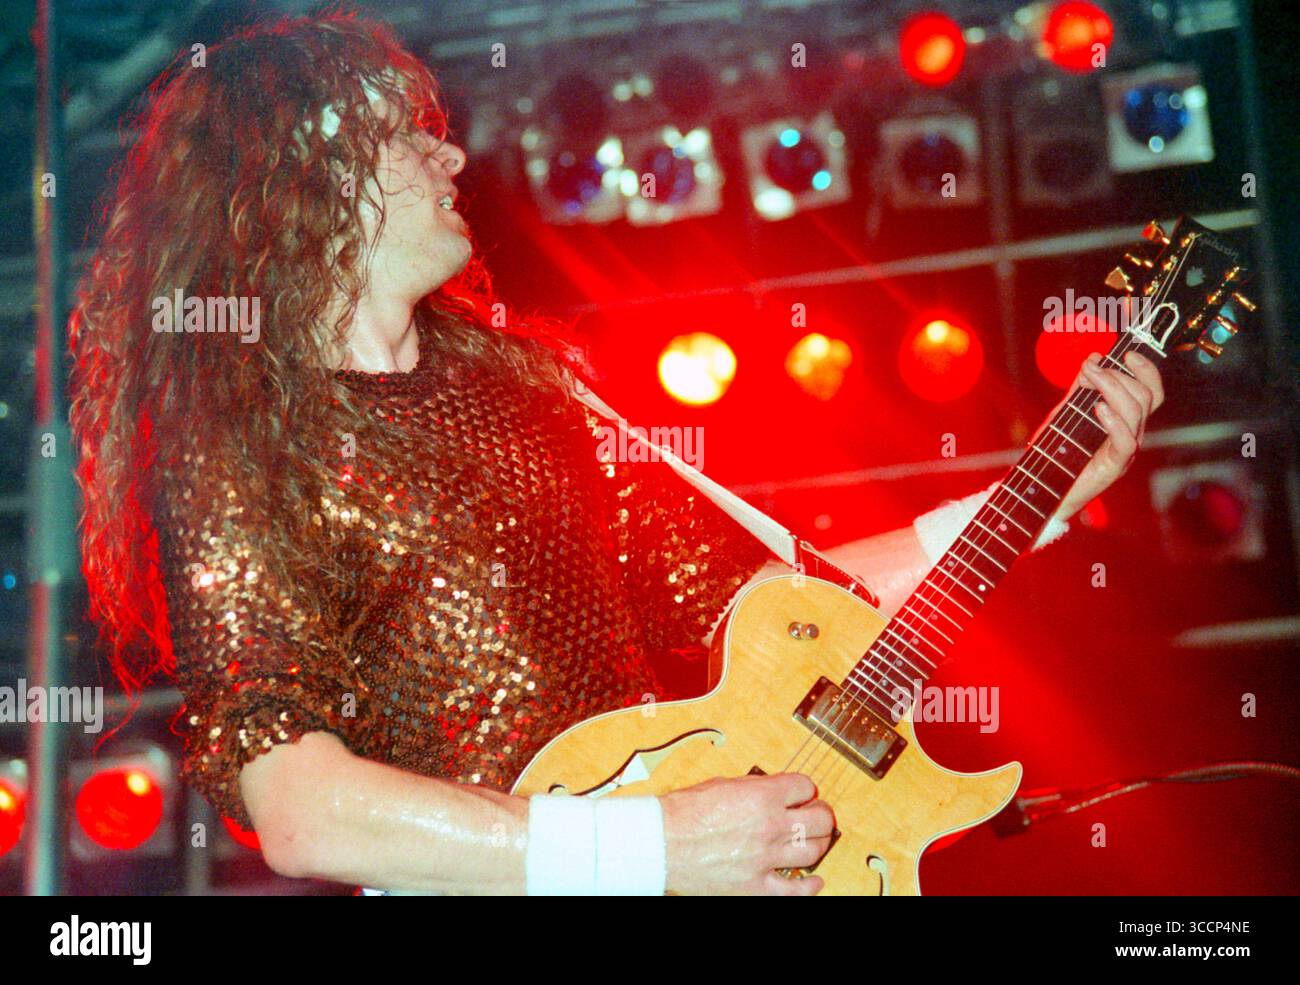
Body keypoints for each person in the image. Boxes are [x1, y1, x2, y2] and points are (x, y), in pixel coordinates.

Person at [68, 12, 1162, 896]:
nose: (450, 149)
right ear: (312, 165)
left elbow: (779, 605)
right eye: (407, 129)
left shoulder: (528, 389)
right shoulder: (244, 439)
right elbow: (303, 810)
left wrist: (1046, 492)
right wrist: (652, 850)